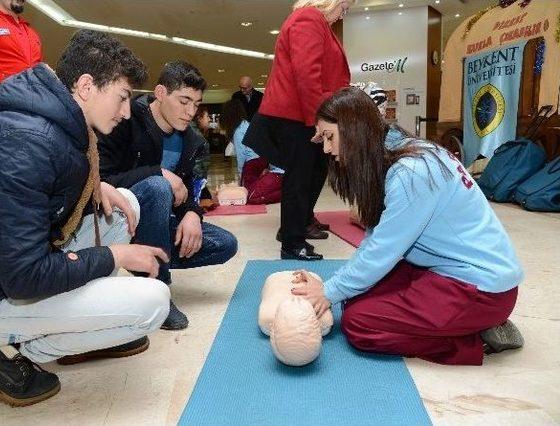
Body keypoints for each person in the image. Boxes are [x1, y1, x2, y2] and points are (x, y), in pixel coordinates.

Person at [0, 30, 171, 406]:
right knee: (153, 302)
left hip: (7, 267)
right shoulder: (22, 144)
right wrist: (115, 258)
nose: (126, 112)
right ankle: (15, 351)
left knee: (125, 204)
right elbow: (24, 277)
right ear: (87, 86)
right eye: (122, 97)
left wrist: (95, 185)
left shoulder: (55, 124)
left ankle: (72, 327)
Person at [292, 87, 524, 366]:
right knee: (354, 296)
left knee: (359, 324)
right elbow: (376, 239)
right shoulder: (399, 151)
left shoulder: (411, 173)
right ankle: (469, 324)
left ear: (355, 130)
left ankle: (476, 338)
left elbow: (382, 251)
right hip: (447, 271)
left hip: (481, 290)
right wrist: (333, 288)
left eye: (330, 137)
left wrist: (328, 291)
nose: (327, 149)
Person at [98, 61, 238, 330]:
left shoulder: (194, 142)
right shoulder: (125, 120)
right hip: (115, 218)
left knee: (225, 243)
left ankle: (145, 259)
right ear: (160, 93)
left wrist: (192, 214)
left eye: (196, 104)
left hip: (159, 223)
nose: (190, 112)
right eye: (184, 100)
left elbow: (193, 191)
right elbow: (101, 181)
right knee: (157, 186)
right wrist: (158, 173)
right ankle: (157, 290)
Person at [243, 0, 354, 260]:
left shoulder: (316, 23)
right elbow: (307, 75)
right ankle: (292, 243)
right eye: (345, 6)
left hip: (301, 112)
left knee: (315, 171)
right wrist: (319, 120)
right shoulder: (308, 18)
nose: (343, 14)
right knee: (300, 177)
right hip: (296, 115)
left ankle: (301, 223)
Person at [220, 99, 283, 205]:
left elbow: (241, 157)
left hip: (251, 164)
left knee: (248, 195)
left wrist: (241, 179)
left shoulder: (238, 131)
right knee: (256, 188)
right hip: (262, 161)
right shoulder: (248, 125)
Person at [191, 104, 212, 202]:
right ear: (199, 118)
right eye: (207, 116)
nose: (209, 119)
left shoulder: (191, 132)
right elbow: (198, 166)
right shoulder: (198, 137)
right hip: (194, 181)